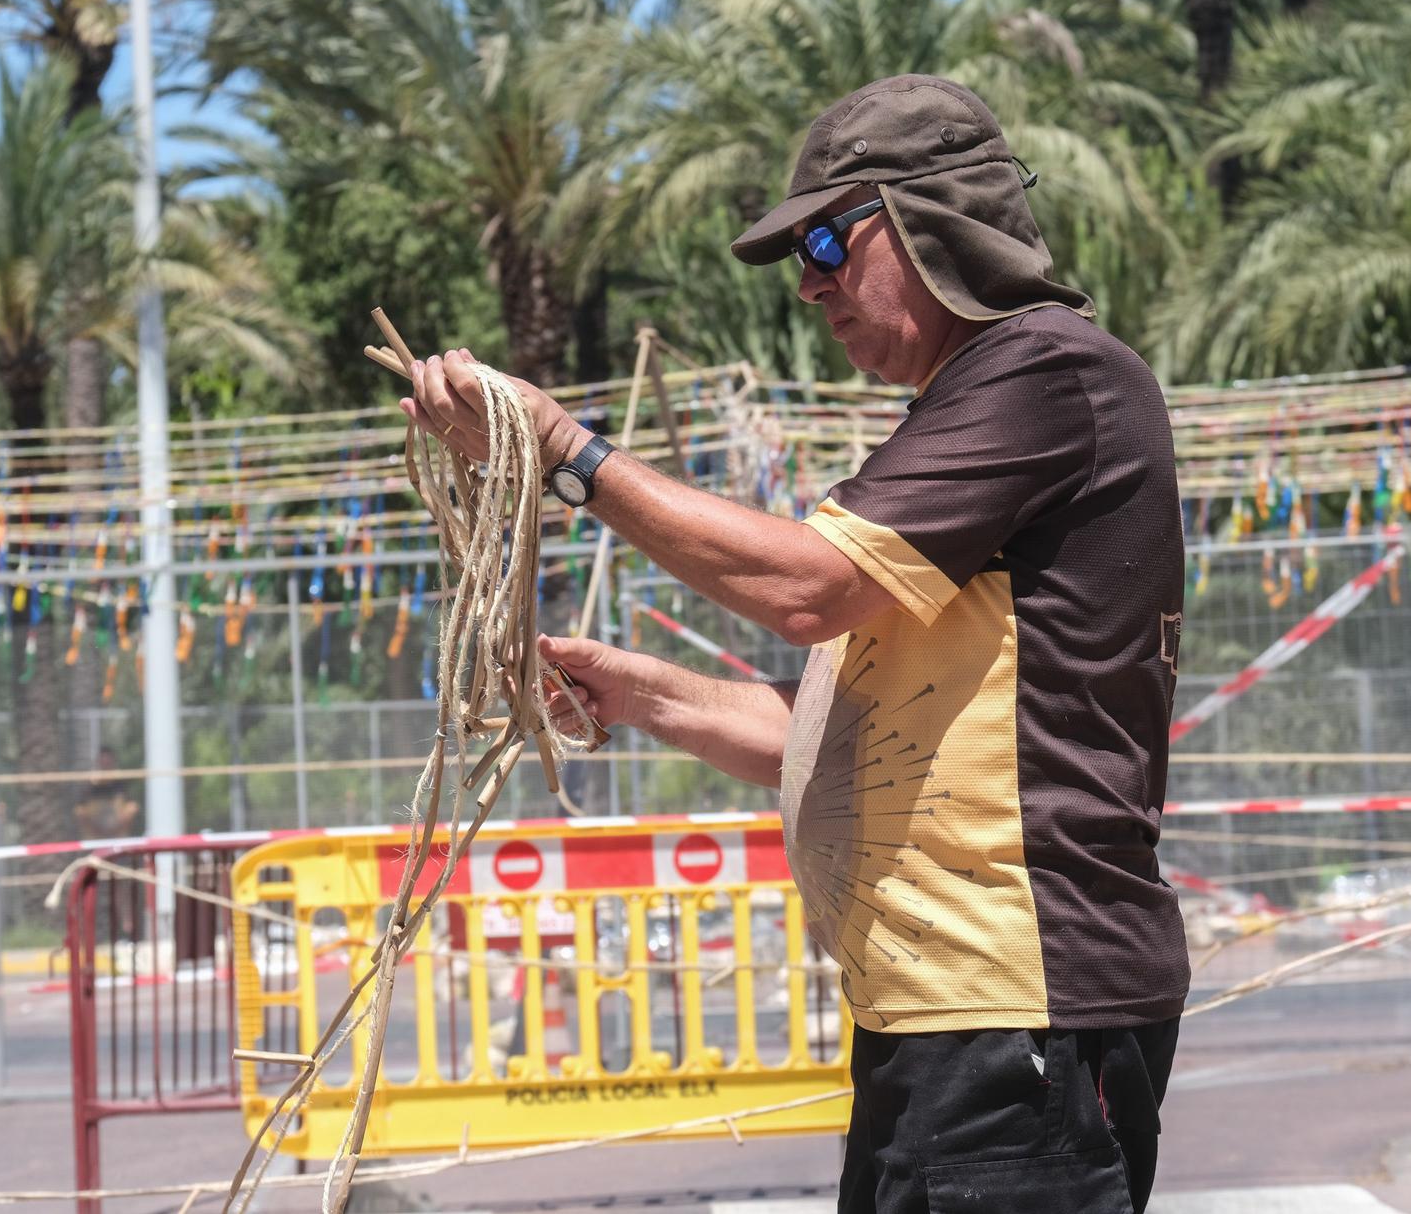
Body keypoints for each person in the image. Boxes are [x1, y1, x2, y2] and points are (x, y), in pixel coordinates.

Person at [400, 74, 1188, 1214]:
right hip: (949, 1014)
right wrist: (639, 692)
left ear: (934, 220)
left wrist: (566, 451)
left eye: (827, 236)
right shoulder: (983, 403)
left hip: (1018, 1008)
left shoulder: (1043, 369)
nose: (810, 282)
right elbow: (842, 736)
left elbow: (806, 589)